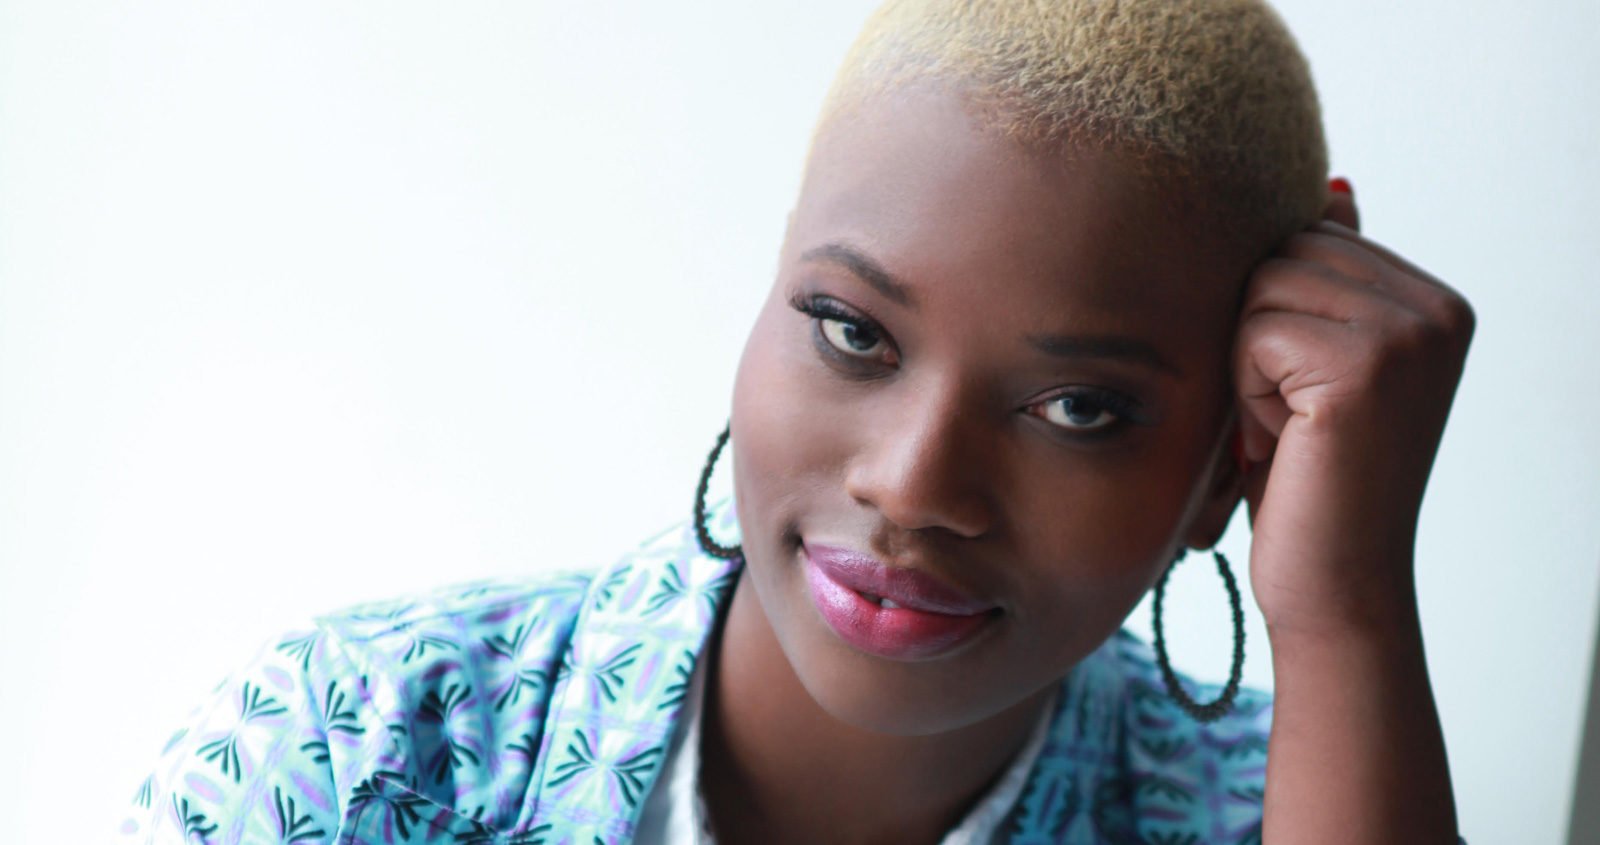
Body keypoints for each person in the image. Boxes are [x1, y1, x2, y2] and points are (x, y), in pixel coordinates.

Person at [117, 0, 1473, 842]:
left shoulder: (1273, 811)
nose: (911, 482)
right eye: (852, 330)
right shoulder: (350, 749)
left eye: (1079, 406)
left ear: (1232, 452)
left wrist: (1346, 610)